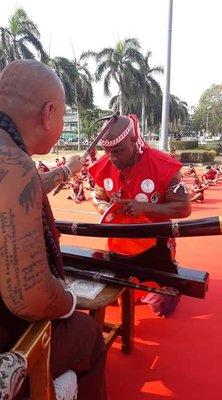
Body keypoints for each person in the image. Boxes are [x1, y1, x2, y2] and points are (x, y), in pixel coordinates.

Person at [0, 60, 107, 400]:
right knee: (88, 333)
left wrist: (65, 171)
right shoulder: (11, 161)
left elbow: (21, 191)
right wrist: (69, 299)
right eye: (61, 116)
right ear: (48, 113)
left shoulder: (12, 160)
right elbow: (28, 297)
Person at [89, 114, 191, 317]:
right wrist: (105, 208)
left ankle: (166, 284)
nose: (114, 158)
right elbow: (97, 197)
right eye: (109, 152)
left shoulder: (162, 164)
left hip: (156, 245)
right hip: (118, 245)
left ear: (134, 141)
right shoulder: (104, 166)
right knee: (105, 297)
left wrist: (145, 208)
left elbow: (184, 207)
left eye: (119, 151)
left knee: (160, 306)